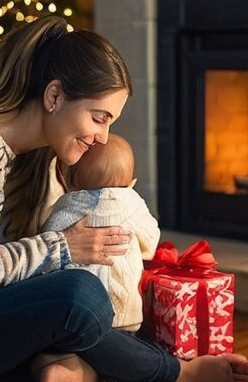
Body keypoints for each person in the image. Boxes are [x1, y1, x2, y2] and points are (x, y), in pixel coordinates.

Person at [0, 15, 248, 382]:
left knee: (84, 299)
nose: (102, 138)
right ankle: (178, 374)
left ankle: (67, 367)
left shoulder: (13, 150)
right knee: (81, 297)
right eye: (99, 117)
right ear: (54, 96)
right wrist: (61, 248)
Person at [34, 134, 159, 379]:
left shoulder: (68, 203)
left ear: (71, 182)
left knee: (60, 349)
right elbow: (151, 239)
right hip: (124, 315)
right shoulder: (132, 202)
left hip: (78, 313)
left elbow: (49, 240)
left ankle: (65, 366)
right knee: (119, 355)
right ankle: (95, 373)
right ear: (131, 182)